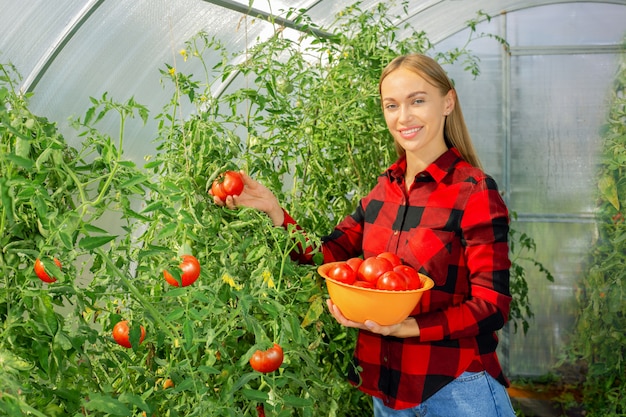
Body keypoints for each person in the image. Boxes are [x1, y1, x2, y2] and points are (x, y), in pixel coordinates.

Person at [213, 53, 516, 416]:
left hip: (456, 388)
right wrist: (276, 212)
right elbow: (329, 254)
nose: (403, 117)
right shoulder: (382, 190)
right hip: (386, 389)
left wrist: (413, 327)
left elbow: (492, 306)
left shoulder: (473, 190)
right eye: (392, 105)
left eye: (417, 100)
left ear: (447, 101)